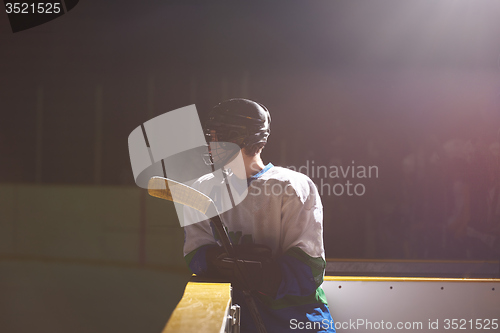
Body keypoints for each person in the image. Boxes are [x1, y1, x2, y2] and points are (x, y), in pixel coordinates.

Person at [183, 98, 336, 333]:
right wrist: (217, 261)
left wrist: (258, 272)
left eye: (216, 136)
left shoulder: (293, 186)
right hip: (242, 322)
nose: (210, 144)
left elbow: (308, 270)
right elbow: (195, 254)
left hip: (298, 321)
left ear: (241, 140)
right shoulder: (202, 190)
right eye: (210, 136)